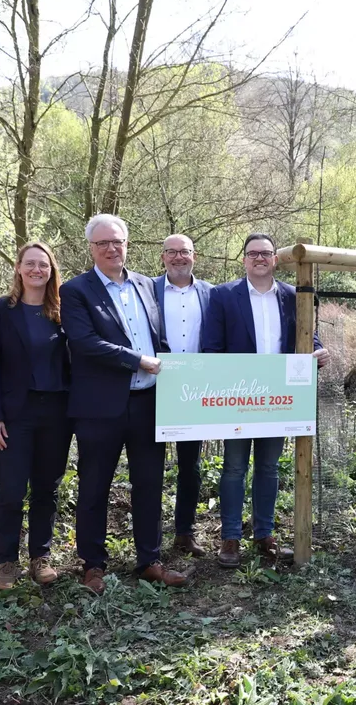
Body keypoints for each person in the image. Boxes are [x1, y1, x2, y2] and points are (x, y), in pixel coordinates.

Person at [61, 213, 187, 594]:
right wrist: (137, 360)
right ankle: (93, 565)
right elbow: (83, 342)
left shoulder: (147, 285)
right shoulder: (76, 290)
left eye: (118, 242)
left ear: (127, 244)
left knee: (149, 483)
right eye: (103, 243)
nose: (112, 248)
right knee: (94, 486)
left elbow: (159, 338)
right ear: (92, 249)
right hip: (100, 407)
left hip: (148, 402)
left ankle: (149, 560)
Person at [201, 233, 328, 569]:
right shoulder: (223, 295)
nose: (259, 258)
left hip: (279, 399)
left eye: (266, 253)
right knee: (233, 468)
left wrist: (315, 350)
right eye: (252, 253)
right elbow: (211, 347)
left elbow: (306, 334)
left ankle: (264, 534)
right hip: (237, 397)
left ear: (275, 259)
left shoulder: (292, 295)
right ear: (243, 259)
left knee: (269, 468)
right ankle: (230, 537)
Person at [0, 241, 73, 590]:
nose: (37, 270)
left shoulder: (64, 310)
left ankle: (40, 557)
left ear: (52, 271)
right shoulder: (0, 310)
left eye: (44, 265)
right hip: (14, 415)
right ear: (18, 268)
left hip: (57, 413)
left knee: (46, 489)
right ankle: (6, 562)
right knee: (10, 488)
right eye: (30, 264)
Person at [154, 234, 214, 558]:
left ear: (195, 256)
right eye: (173, 252)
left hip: (194, 392)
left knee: (190, 467)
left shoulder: (210, 293)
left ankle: (184, 533)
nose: (179, 257)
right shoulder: (146, 290)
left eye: (185, 252)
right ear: (162, 256)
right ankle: (149, 538)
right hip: (153, 388)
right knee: (150, 467)